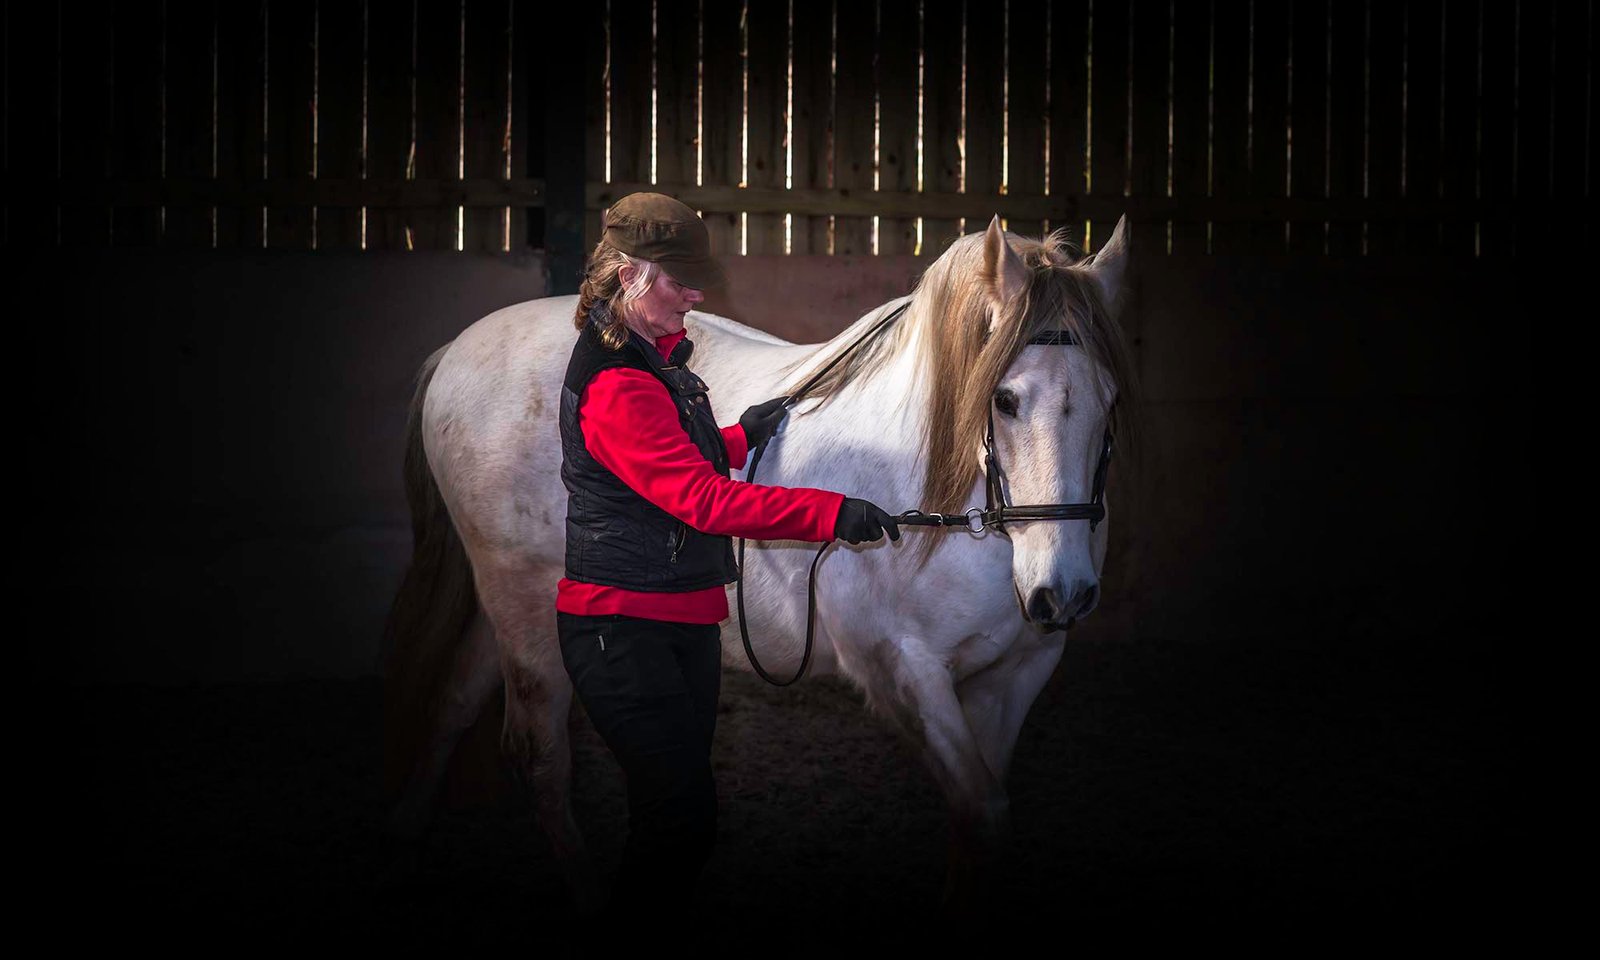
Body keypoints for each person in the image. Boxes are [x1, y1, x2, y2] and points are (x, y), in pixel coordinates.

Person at [554, 192, 900, 928]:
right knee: (680, 820)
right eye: (679, 282)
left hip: (677, 623)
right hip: (623, 631)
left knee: (679, 818)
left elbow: (671, 459)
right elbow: (701, 501)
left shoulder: (651, 362)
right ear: (629, 278)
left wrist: (742, 435)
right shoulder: (618, 382)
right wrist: (830, 512)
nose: (696, 295)